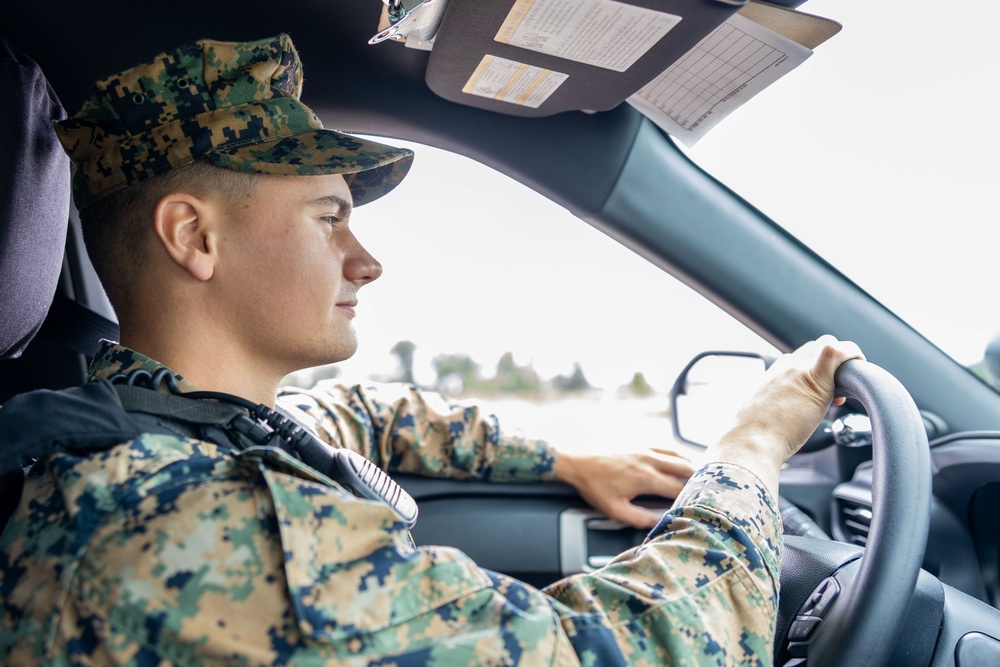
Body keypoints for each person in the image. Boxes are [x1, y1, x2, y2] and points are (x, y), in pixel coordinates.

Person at [0, 34, 863, 665]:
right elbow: (634, 650)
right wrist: (753, 447)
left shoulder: (176, 423)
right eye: (329, 217)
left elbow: (364, 416)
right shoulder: (185, 521)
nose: (366, 261)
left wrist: (566, 456)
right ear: (194, 236)